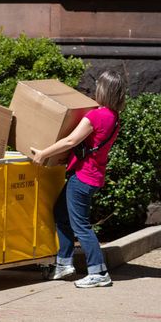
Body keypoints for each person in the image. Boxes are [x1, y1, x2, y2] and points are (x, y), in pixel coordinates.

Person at [31, 70, 127, 288]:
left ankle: (98, 271)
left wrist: (43, 154)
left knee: (81, 225)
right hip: (93, 176)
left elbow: (70, 141)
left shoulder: (95, 116)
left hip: (82, 178)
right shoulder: (113, 118)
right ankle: (64, 263)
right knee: (61, 214)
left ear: (103, 90)